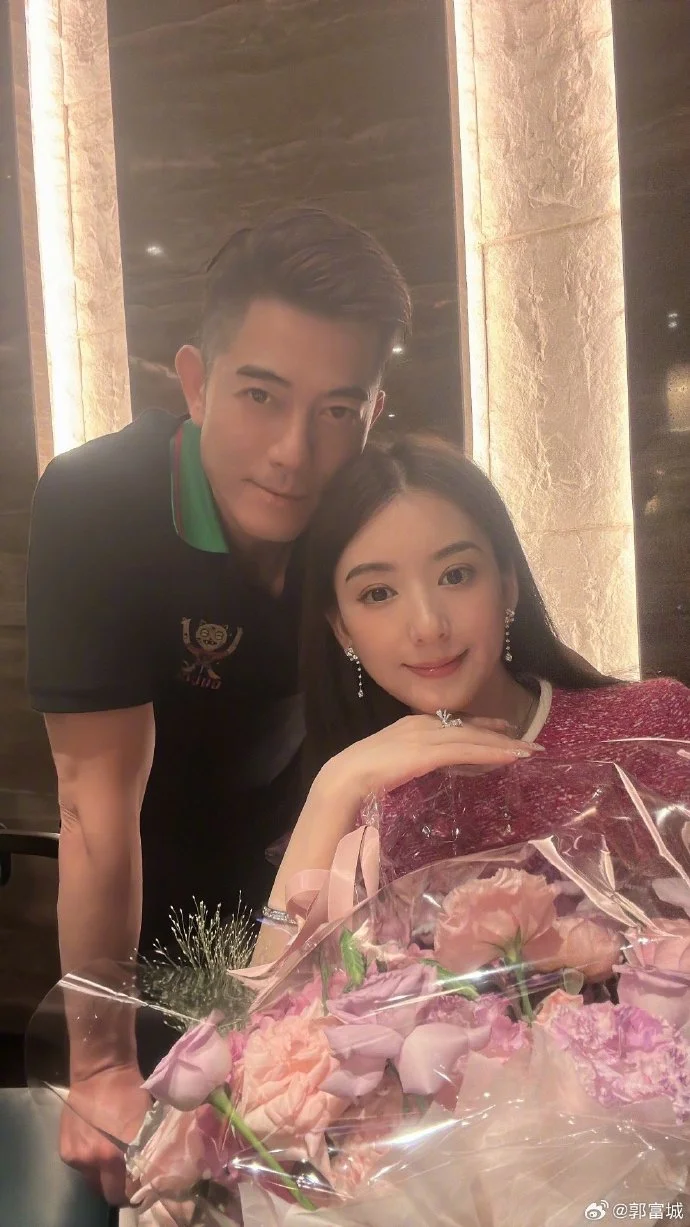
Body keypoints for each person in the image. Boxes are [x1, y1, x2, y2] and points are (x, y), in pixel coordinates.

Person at [25, 206, 417, 1201]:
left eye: (337, 409)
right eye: (259, 395)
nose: (292, 453)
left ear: (373, 412)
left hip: (297, 878)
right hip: (137, 895)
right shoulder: (102, 503)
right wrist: (101, 1062)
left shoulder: (371, 508)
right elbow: (94, 802)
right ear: (196, 383)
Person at [261, 433, 690, 953]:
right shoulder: (356, 801)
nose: (427, 626)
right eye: (378, 593)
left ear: (507, 583)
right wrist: (334, 788)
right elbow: (275, 996)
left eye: (456, 574)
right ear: (342, 628)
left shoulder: (650, 726)